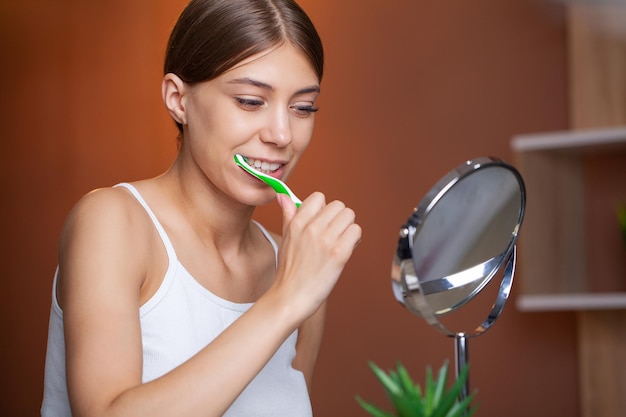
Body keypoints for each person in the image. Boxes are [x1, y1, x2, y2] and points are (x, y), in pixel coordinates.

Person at [41, 0, 362, 416]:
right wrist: (285, 300)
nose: (282, 134)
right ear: (178, 99)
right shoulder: (112, 222)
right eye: (250, 101)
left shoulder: (296, 265)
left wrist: (297, 291)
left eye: (302, 108)